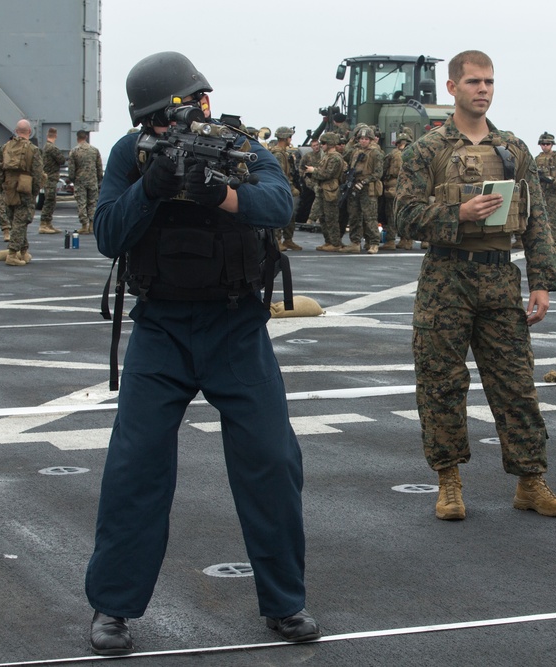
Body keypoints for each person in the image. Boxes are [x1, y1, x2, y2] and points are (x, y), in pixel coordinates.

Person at [85, 51, 319, 656]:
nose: (187, 124)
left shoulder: (237, 145)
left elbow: (279, 204)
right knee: (134, 466)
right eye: (170, 118)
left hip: (235, 326)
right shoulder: (130, 157)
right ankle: (112, 606)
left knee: (271, 459)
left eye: (194, 108)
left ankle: (285, 602)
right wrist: (153, 191)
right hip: (161, 328)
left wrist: (219, 193)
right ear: (151, 122)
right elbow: (108, 230)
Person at [395, 49, 556, 521]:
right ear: (452, 88)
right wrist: (457, 213)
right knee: (441, 383)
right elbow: (402, 215)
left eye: (489, 82)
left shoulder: (513, 149)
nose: (483, 90)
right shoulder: (427, 150)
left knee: (515, 384)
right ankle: (448, 482)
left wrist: (542, 282)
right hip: (445, 278)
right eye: (473, 82)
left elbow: (537, 221)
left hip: (499, 277)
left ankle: (530, 481)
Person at [0, 119, 44, 267]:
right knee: (20, 222)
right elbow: (37, 174)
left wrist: (2, 187)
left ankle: (23, 251)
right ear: (29, 132)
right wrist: (35, 192)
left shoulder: (5, 147)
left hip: (9, 187)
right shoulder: (33, 149)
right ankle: (12, 254)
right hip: (25, 187)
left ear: (16, 131)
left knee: (15, 221)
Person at [339, 125, 383, 254]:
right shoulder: (355, 151)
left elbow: (378, 173)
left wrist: (364, 181)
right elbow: (344, 157)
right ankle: (355, 242)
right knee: (354, 216)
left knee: (370, 217)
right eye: (361, 138)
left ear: (370, 140)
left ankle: (374, 243)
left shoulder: (375, 153)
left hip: (368, 188)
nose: (363, 141)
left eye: (366, 138)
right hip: (353, 186)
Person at [307, 132, 345, 251]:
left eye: (323, 143)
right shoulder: (327, 156)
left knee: (331, 217)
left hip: (330, 190)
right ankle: (328, 241)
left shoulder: (335, 157)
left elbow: (328, 174)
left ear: (329, 144)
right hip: (324, 189)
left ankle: (335, 243)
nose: (321, 145)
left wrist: (314, 171)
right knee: (323, 217)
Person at [270, 126, 303, 251]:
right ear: (285, 138)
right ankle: (277, 240)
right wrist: (290, 187)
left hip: (285, 186)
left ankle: (288, 240)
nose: (291, 139)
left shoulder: (284, 153)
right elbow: (281, 173)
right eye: (290, 137)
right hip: (281, 187)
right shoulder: (278, 154)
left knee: (291, 214)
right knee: (280, 213)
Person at [67, 129, 103, 234]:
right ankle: (92, 224)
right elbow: (99, 167)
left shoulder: (74, 151)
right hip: (92, 180)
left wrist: (73, 179)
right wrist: (98, 178)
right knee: (92, 202)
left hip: (80, 180)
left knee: (81, 203)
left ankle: (84, 225)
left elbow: (71, 170)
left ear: (77, 137)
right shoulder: (94, 150)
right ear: (86, 137)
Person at [382, 130, 413, 250]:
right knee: (406, 214)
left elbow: (384, 170)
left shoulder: (392, 154)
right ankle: (407, 241)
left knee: (391, 214)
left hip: (393, 187)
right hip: (408, 187)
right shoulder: (413, 154)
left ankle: (390, 241)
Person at [39, 127, 65, 234]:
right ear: (56, 136)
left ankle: (48, 223)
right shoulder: (52, 148)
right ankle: (44, 224)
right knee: (49, 201)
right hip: (51, 178)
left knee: (50, 201)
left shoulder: (45, 147)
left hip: (47, 177)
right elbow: (62, 160)